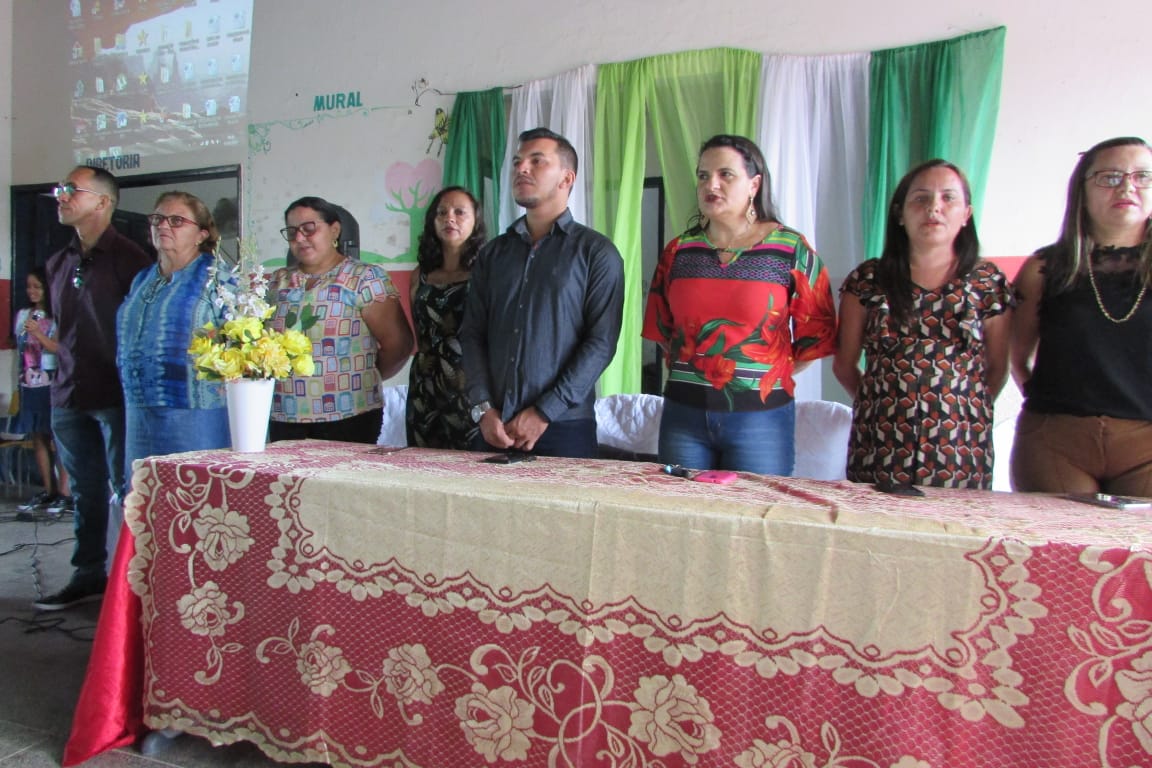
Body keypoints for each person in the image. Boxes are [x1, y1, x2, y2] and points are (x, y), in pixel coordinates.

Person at [643, 134, 836, 475]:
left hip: (760, 421)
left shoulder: (791, 249)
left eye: (725, 174)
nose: (710, 184)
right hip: (683, 416)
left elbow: (816, 338)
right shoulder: (678, 252)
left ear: (754, 184)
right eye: (703, 175)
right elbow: (662, 331)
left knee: (753, 519)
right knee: (679, 517)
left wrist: (759, 380)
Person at [834, 159, 1012, 490]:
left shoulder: (987, 281)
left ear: (967, 214)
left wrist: (954, 406)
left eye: (948, 198)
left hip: (961, 443)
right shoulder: (868, 279)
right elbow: (844, 366)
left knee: (955, 537)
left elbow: (998, 369)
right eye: (921, 198)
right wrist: (882, 404)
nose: (934, 208)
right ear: (900, 214)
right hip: (880, 443)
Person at [460, 127, 624, 458]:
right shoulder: (493, 254)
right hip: (493, 426)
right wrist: (482, 407)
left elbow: (601, 343)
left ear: (566, 178)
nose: (521, 169)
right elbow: (472, 334)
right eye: (518, 161)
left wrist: (544, 411)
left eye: (537, 161)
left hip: (564, 427)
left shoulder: (596, 253)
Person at [36, 166, 151, 611]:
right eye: (59, 189)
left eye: (72, 190)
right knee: (83, 488)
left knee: (128, 489)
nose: (61, 197)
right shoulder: (57, 261)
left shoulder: (133, 260)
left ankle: (132, 582)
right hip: (67, 392)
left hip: (117, 394)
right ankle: (87, 572)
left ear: (103, 202)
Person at [1010, 136, 1152, 494]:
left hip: (1146, 444)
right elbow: (1017, 356)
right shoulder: (1044, 267)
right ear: (1082, 190)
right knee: (1053, 547)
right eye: (1110, 176)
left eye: (1142, 176)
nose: (1127, 187)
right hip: (1055, 442)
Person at [267, 196, 413, 444]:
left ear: (334, 229)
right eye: (292, 232)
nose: (300, 238)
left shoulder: (365, 278)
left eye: (309, 228)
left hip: (349, 415)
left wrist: (361, 376)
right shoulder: (276, 282)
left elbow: (398, 345)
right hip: (284, 415)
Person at [117, 192, 231, 477]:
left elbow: (245, 347)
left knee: (194, 497)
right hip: (139, 410)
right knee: (143, 499)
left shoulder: (220, 278)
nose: (163, 226)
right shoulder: (142, 279)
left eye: (177, 221)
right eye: (158, 219)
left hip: (195, 414)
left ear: (201, 234)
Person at [406, 186, 487, 449]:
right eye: (442, 212)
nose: (449, 218)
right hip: (424, 388)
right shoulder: (419, 276)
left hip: (470, 386)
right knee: (424, 473)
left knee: (473, 473)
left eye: (459, 212)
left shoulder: (488, 274)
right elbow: (420, 333)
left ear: (476, 221)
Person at [13, 267, 71, 516]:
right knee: (38, 436)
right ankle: (48, 490)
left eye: (37, 286)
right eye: (29, 287)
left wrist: (38, 333)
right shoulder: (24, 314)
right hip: (30, 382)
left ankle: (65, 492)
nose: (32, 291)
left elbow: (60, 348)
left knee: (58, 438)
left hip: (53, 381)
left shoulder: (58, 314)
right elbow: (20, 347)